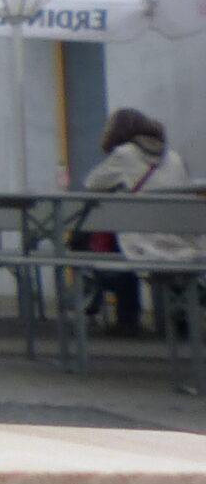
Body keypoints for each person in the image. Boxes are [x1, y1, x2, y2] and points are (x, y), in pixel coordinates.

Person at [77, 108, 199, 335]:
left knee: (98, 245)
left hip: (143, 242)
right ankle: (179, 316)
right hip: (183, 240)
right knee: (121, 242)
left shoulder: (124, 155)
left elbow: (91, 183)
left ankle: (125, 317)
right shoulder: (174, 158)